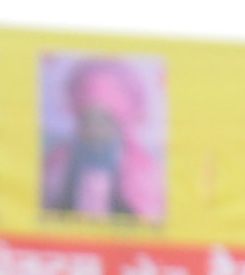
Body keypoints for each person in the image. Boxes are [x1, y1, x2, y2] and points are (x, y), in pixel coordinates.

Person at [40, 55, 163, 221]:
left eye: (104, 120)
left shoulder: (140, 166)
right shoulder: (58, 161)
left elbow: (147, 216)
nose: (94, 128)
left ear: (120, 122)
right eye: (87, 119)